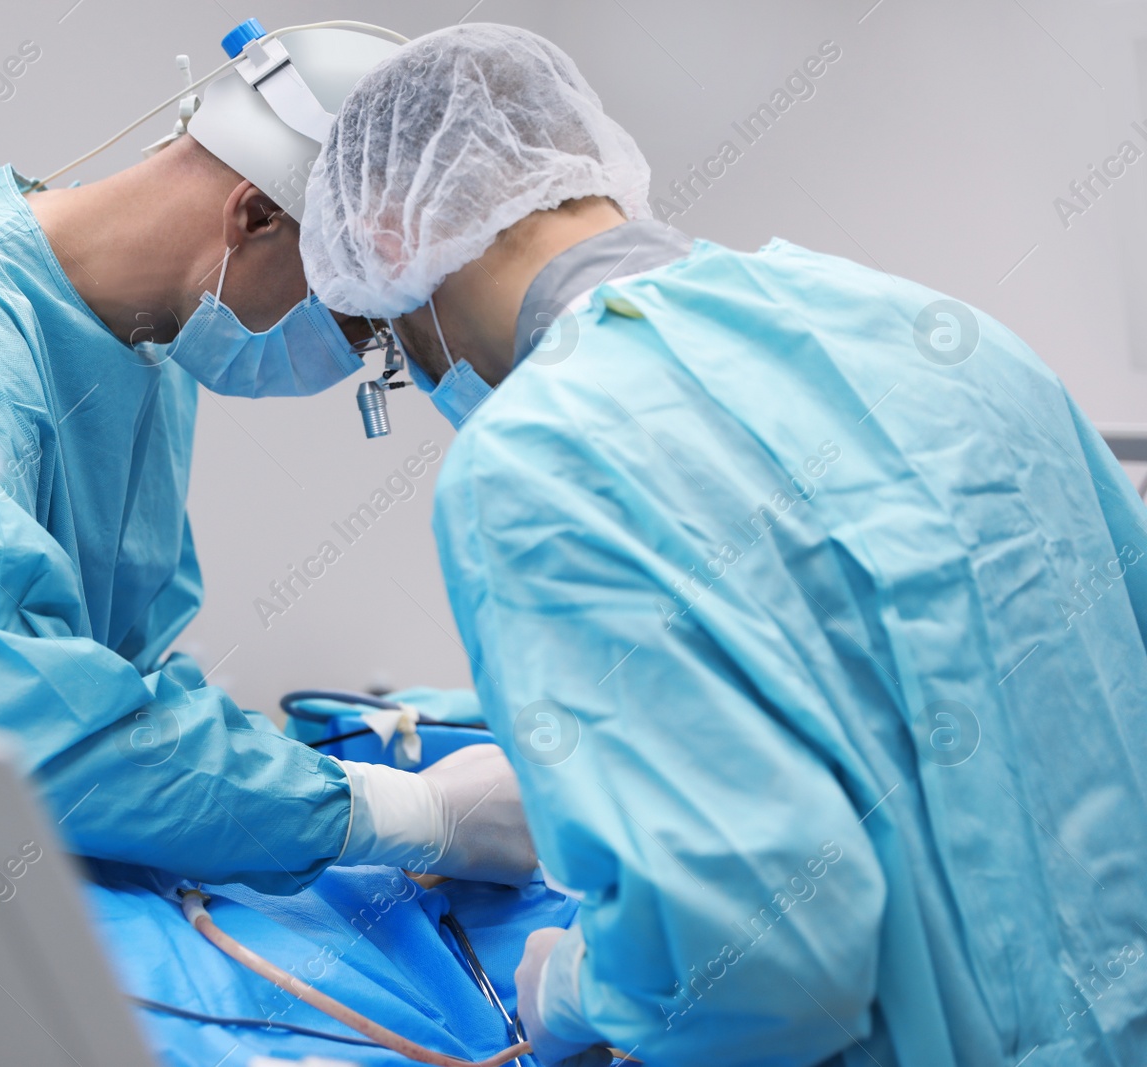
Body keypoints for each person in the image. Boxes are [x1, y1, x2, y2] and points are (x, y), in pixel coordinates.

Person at [302, 22, 1147, 1066]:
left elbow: (759, 963)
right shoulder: (937, 329)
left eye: (389, 346)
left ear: (388, 239)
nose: (418, 368)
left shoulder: (536, 458)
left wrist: (574, 986)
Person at [0, 22, 535, 894]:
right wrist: (398, 814)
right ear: (258, 214)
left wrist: (276, 775)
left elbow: (116, 676)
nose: (350, 356)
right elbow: (9, 728)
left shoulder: (150, 350)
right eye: (356, 321)